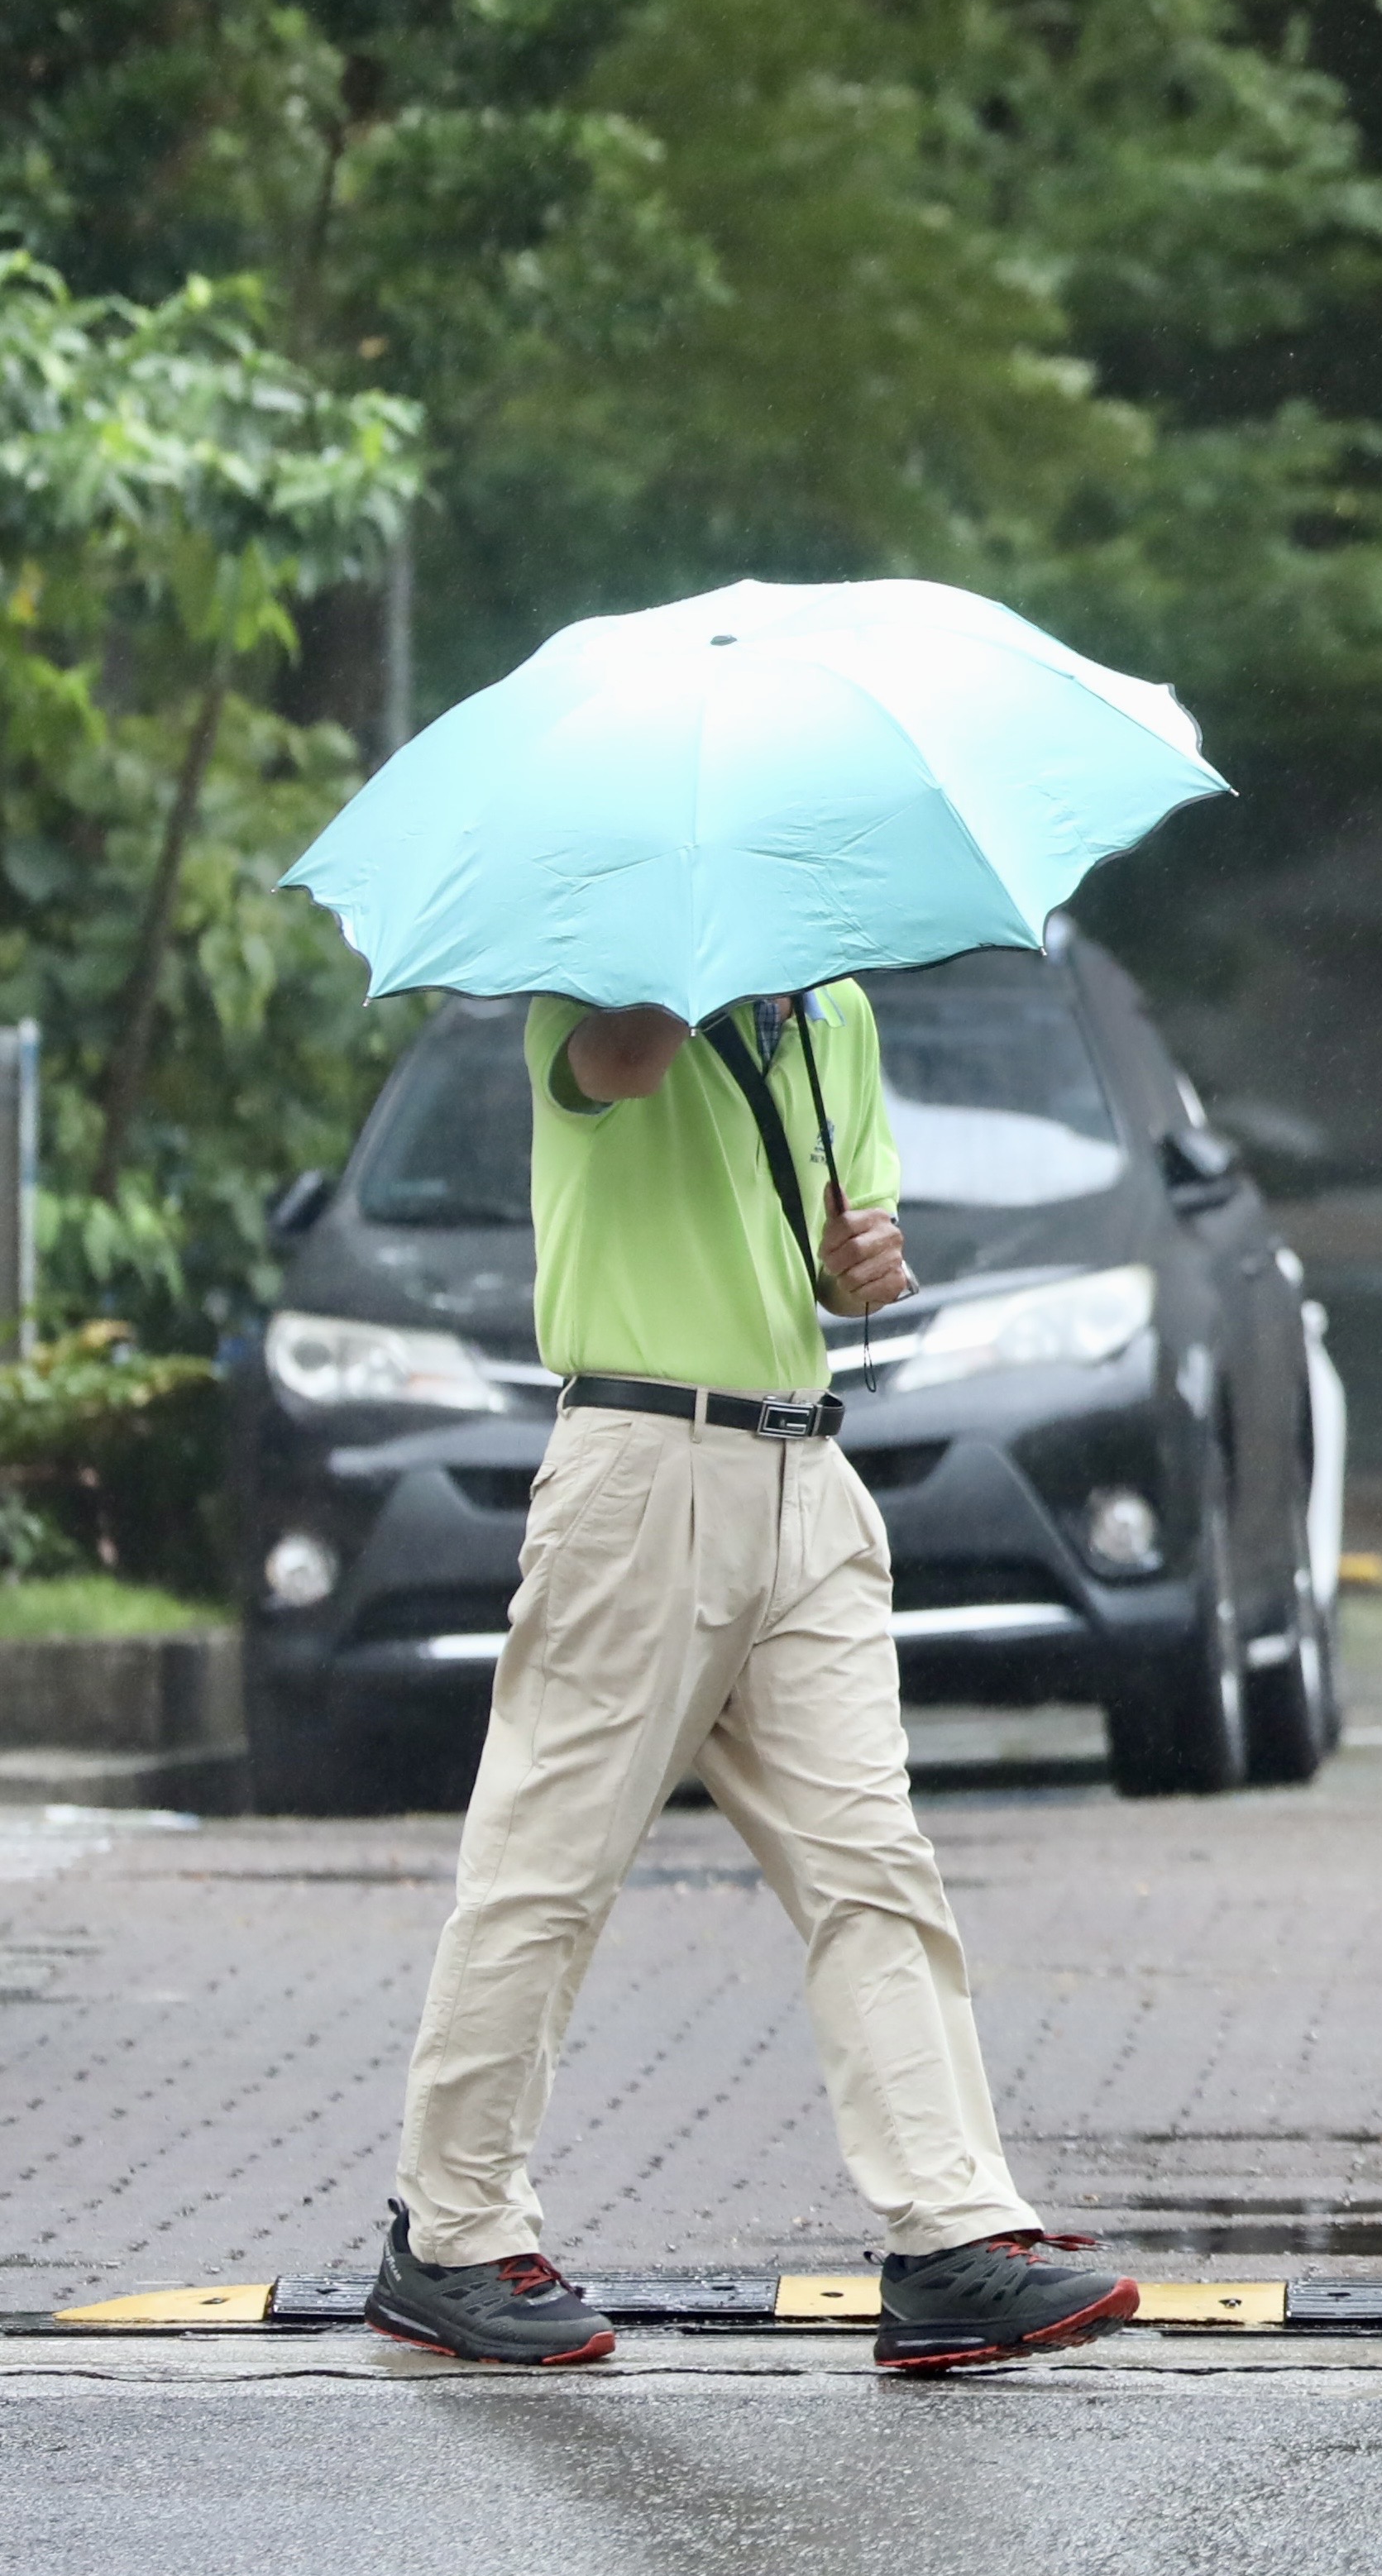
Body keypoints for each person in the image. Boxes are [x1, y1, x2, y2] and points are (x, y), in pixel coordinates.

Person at [369, 985, 1133, 2372]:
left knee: (873, 1859)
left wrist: (863, 1266)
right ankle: (452, 2233)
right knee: (548, 1864)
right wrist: (700, 958)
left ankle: (948, 2233)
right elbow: (616, 1068)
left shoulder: (832, 1008)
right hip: (640, 1466)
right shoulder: (597, 979)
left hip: (808, 1474)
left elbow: (846, 1266)